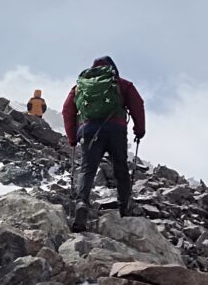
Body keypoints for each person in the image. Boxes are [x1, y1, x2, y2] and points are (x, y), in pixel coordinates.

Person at [62, 56, 145, 232]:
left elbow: (67, 110)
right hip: (116, 129)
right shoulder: (121, 84)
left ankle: (82, 203)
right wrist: (139, 130)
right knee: (120, 168)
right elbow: (138, 105)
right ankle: (124, 208)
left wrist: (72, 138)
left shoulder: (79, 87)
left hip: (89, 131)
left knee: (87, 169)